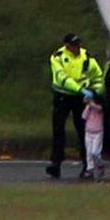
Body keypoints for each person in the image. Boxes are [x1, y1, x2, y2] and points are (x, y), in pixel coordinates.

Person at [46, 32, 98, 178]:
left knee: (83, 130)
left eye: (78, 44)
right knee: (58, 129)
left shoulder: (86, 56)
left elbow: (96, 75)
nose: (77, 47)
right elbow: (62, 77)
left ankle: (87, 164)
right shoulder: (58, 57)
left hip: (80, 98)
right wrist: (79, 89)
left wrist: (95, 90)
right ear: (67, 46)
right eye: (74, 45)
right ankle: (56, 162)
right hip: (63, 95)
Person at [80, 84, 108, 182]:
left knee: (95, 152)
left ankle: (100, 165)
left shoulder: (99, 108)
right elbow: (83, 116)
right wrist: (88, 106)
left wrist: (92, 104)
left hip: (98, 132)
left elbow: (99, 109)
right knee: (88, 152)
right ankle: (90, 168)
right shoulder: (89, 108)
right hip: (88, 132)